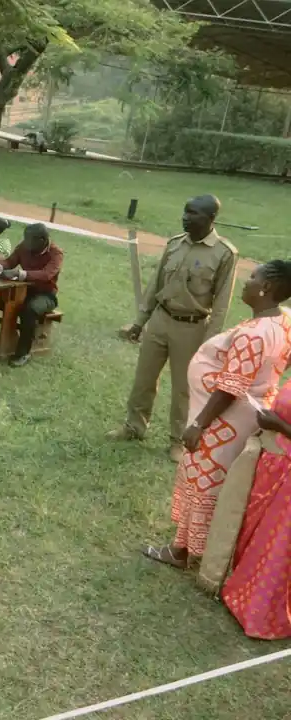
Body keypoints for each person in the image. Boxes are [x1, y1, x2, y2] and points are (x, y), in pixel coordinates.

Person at [141, 262, 291, 574]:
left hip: (223, 422)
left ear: (267, 289)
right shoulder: (284, 320)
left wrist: (199, 424)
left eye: (253, 278)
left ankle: (184, 551)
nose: (247, 282)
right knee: (218, 484)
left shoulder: (255, 335)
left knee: (202, 483)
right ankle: (201, 550)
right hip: (247, 415)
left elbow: (230, 388)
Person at [108, 195, 239, 461]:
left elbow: (222, 302)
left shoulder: (224, 253)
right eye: (185, 211)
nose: (185, 217)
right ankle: (134, 425)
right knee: (143, 379)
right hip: (160, 318)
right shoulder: (175, 244)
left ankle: (177, 440)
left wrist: (210, 342)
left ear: (210, 219)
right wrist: (139, 322)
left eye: (193, 213)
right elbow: (155, 286)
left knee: (184, 388)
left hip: (191, 327)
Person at [217, 378, 291, 638]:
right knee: (254, 532)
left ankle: (260, 613)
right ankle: (241, 588)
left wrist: (279, 425)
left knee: (275, 546)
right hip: (275, 461)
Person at [0, 223, 65, 368]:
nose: (25, 243)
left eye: (29, 240)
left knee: (29, 310)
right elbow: (11, 261)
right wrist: (0, 266)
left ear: (42, 241)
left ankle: (23, 352)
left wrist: (21, 274)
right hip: (23, 289)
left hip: (46, 295)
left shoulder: (56, 253)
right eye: (25, 239)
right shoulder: (24, 246)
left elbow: (47, 275)